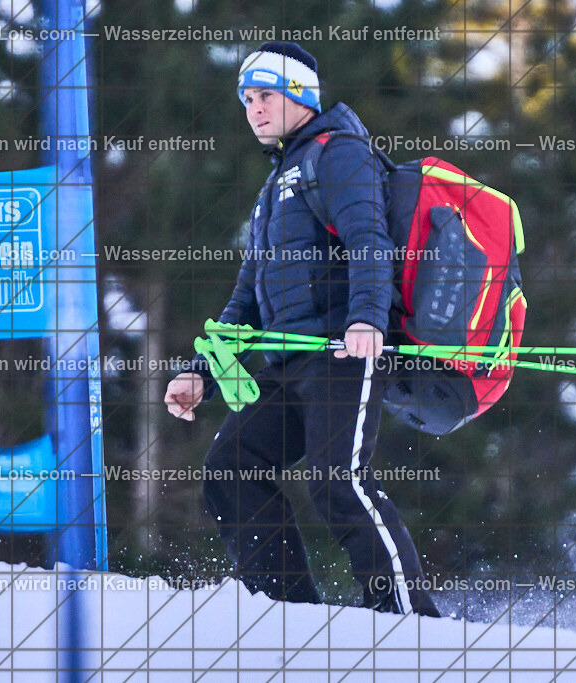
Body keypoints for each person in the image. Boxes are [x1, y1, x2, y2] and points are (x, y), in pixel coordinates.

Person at [163, 42, 440, 617]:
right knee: (231, 468)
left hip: (342, 351)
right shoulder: (276, 184)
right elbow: (247, 297)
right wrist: (201, 373)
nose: (254, 110)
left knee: (338, 480)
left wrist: (366, 319)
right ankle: (288, 613)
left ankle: (411, 619)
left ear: (299, 94)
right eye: (246, 100)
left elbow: (369, 241)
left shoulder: (339, 152)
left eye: (265, 94)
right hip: (289, 361)